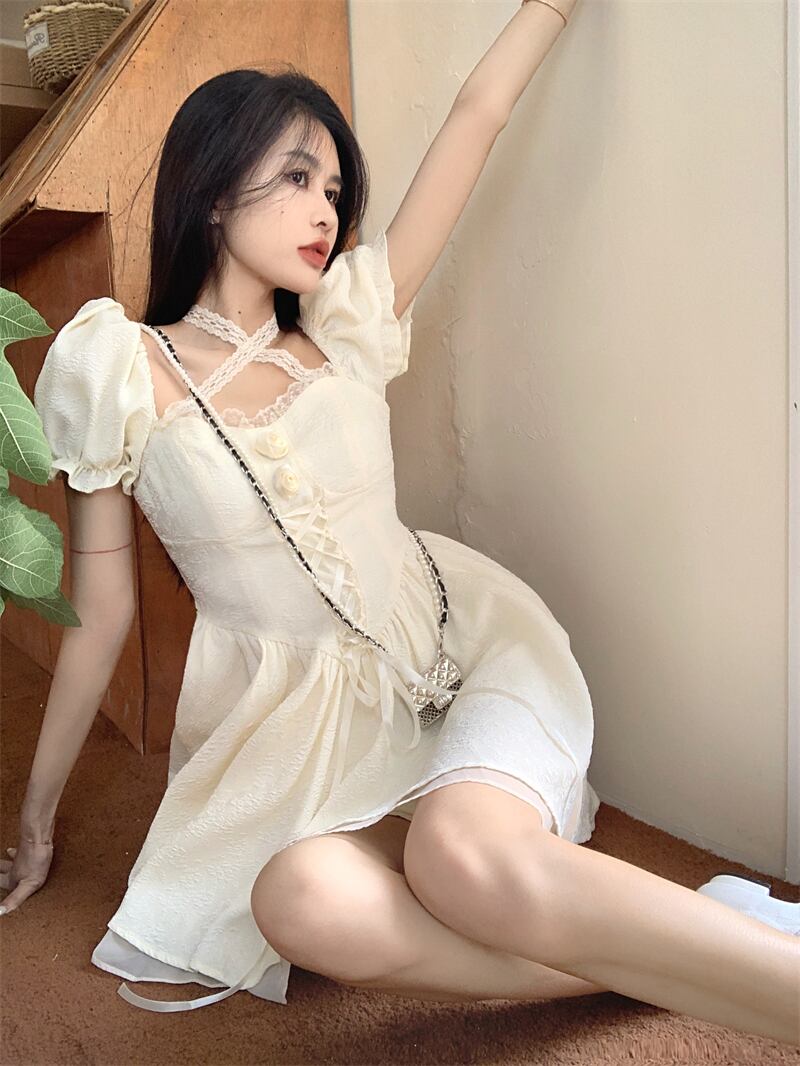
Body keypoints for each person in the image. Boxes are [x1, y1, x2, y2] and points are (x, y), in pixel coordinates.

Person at [2, 0, 798, 1044]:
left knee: (457, 857)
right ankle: (702, 939)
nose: (325, 211)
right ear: (212, 189)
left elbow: (476, 114)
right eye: (296, 177)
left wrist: (551, 6)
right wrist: (37, 816)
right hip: (302, 738)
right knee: (298, 900)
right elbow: (100, 612)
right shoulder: (115, 366)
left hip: (463, 653)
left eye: (334, 189)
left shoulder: (346, 325)